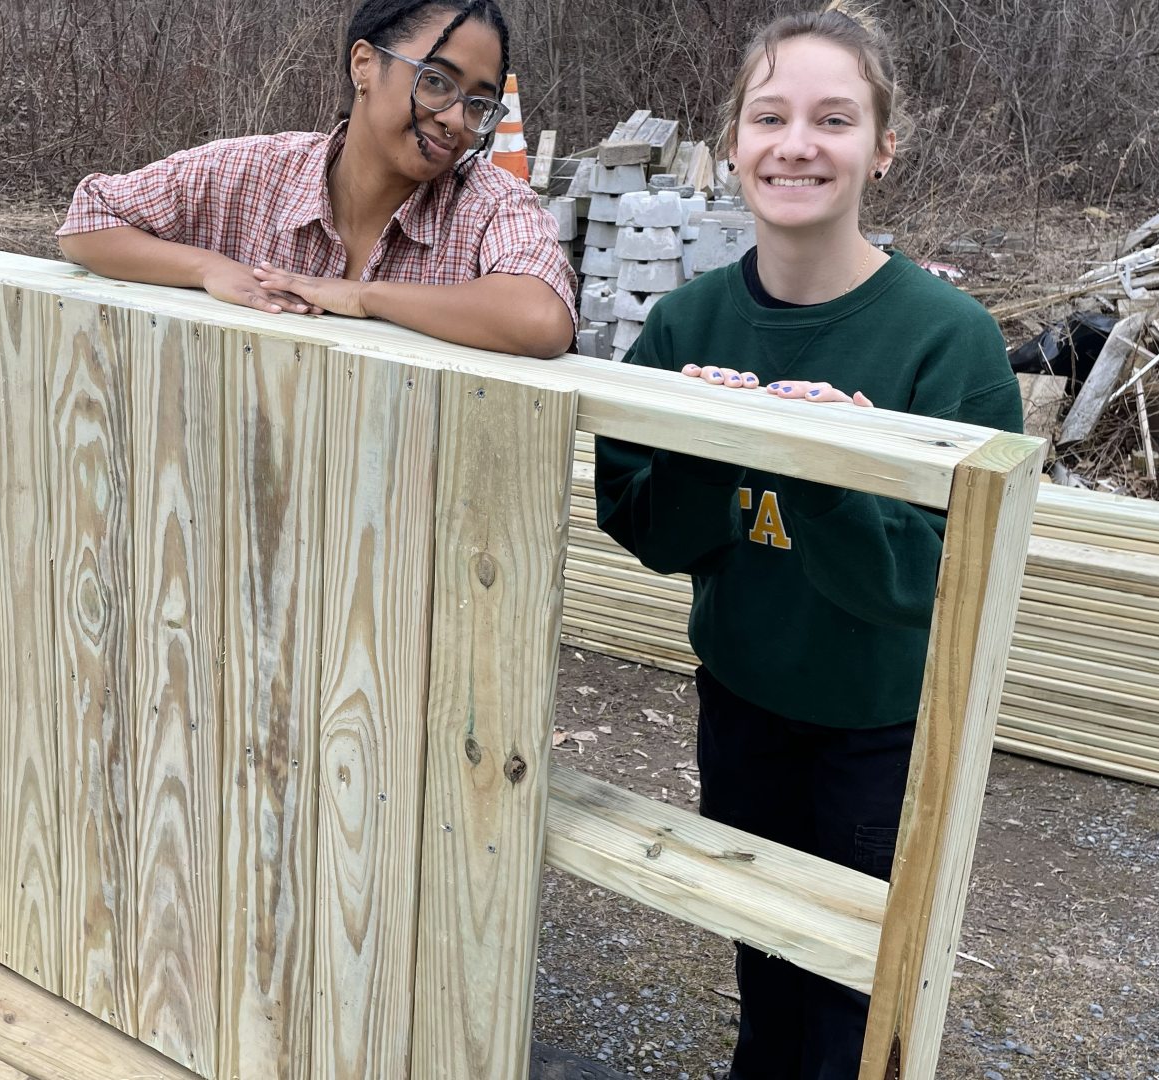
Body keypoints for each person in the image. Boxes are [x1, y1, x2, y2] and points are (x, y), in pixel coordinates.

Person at [592, 4, 1023, 1077]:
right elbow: (645, 528)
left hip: (878, 732)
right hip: (741, 702)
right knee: (764, 952)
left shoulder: (947, 341)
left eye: (834, 119)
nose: (797, 144)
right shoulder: (685, 325)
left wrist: (829, 469)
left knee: (851, 989)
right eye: (770, 116)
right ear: (732, 143)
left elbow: (933, 584)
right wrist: (710, 445)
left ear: (883, 147)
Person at [54, 0, 576, 359]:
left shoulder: (490, 203)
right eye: (436, 81)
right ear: (364, 64)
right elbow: (88, 220)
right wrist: (208, 268)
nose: (456, 119)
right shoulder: (253, 171)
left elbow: (539, 317)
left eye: (478, 104)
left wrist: (364, 297)